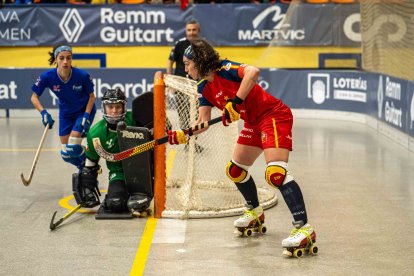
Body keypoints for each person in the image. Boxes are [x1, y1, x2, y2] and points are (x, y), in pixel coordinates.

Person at [168, 38, 317, 255]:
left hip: (273, 116)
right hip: (253, 123)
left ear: (199, 62)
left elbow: (253, 72)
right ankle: (255, 212)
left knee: (275, 174)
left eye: (188, 63)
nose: (185, 68)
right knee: (235, 170)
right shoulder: (204, 87)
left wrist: (235, 102)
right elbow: (203, 121)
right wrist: (186, 133)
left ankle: (304, 229)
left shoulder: (225, 69)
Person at [81, 88, 152, 214]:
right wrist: (87, 186)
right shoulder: (95, 134)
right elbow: (90, 163)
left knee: (139, 201)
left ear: (124, 107)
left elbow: (158, 128)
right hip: (118, 173)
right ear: (104, 108)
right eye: (110, 107)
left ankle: (144, 190)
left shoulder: (135, 119)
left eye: (118, 106)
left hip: (142, 172)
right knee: (116, 203)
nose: (114, 111)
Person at [31, 45, 96, 170]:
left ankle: (91, 168)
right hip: (66, 114)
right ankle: (84, 167)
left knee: (72, 147)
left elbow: (92, 97)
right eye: (61, 58)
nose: (65, 61)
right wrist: (43, 113)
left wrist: (87, 115)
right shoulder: (47, 77)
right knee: (66, 155)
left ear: (71, 59)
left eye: (68, 58)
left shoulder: (82, 75)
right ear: (56, 60)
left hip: (83, 112)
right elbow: (34, 97)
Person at [167, 19, 201, 130]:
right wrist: (171, 83)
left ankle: (193, 143)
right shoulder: (179, 44)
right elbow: (170, 61)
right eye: (189, 30)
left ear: (198, 30)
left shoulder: (202, 45)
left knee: (196, 115)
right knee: (183, 116)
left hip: (196, 86)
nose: (191, 32)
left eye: (194, 30)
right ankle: (187, 142)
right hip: (180, 85)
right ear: (186, 31)